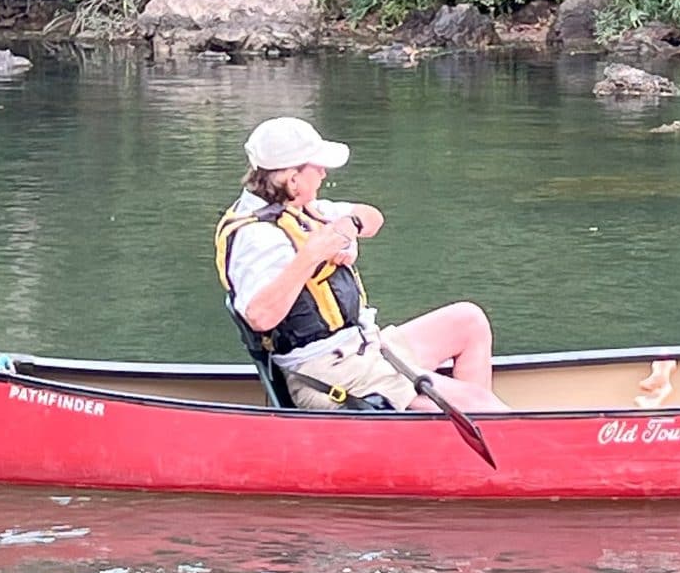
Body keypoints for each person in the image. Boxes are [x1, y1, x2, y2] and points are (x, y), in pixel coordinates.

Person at [215, 117, 507, 413]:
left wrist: (348, 229)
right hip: (326, 372)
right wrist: (311, 256)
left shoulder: (302, 209)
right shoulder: (258, 238)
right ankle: (472, 424)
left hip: (364, 347)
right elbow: (260, 317)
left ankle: (463, 434)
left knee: (469, 320)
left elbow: (372, 217)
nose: (324, 173)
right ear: (292, 179)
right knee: (479, 405)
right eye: (317, 167)